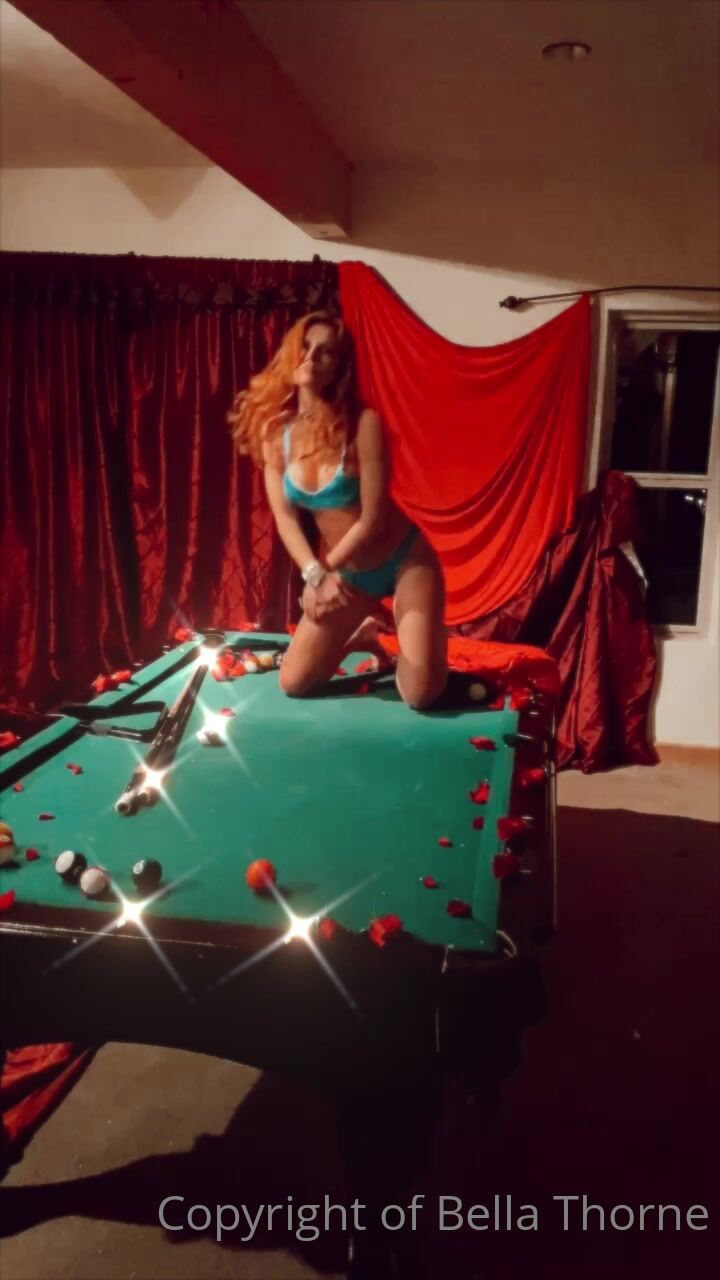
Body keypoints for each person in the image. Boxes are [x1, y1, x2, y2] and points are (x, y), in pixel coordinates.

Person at [229, 310, 447, 709]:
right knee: (293, 682)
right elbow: (285, 518)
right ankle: (364, 634)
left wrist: (323, 572)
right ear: (291, 355)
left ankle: (426, 633)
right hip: (348, 573)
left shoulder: (364, 424)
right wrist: (315, 574)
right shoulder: (275, 435)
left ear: (339, 367)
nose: (312, 357)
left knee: (420, 695)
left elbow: (372, 519)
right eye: (305, 346)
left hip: (404, 561)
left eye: (326, 352)